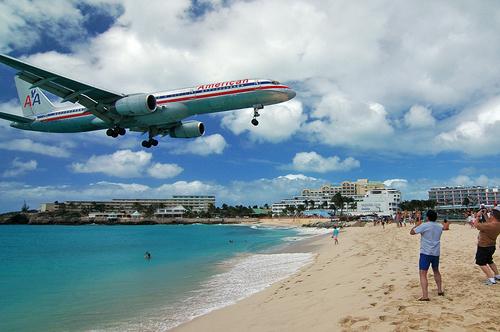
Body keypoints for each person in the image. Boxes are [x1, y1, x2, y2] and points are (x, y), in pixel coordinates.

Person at [410, 210, 444, 301]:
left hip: (426, 252)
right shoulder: (440, 226)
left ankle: (425, 295)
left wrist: (417, 224)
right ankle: (440, 290)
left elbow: (412, 232)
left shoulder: (425, 225)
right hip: (436, 252)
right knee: (436, 270)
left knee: (423, 273)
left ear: (428, 217)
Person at [473, 206, 500, 285]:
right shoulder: (497, 224)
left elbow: (476, 225)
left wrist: (478, 216)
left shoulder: (490, 225)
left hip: (484, 246)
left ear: (493, 215)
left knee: (480, 262)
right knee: (489, 260)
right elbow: (489, 222)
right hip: (491, 246)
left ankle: (491, 279)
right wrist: (485, 215)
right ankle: (497, 275)